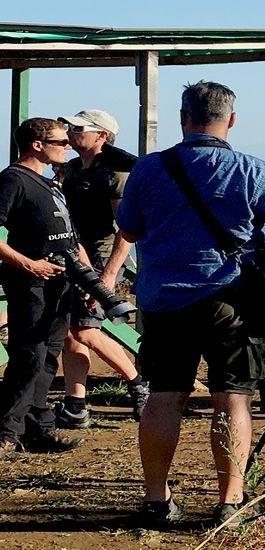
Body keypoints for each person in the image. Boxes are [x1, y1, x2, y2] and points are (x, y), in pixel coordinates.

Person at [119, 81, 265, 527]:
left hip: (164, 299)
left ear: (184, 118)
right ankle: (230, 501)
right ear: (232, 120)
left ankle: (154, 499)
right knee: (232, 398)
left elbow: (127, 229)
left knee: (165, 396)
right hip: (232, 298)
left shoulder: (148, 170)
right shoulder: (252, 171)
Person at [51, 109, 147, 428]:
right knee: (72, 329)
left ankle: (137, 382)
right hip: (73, 257)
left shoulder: (115, 173)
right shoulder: (72, 169)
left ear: (101, 135)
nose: (71, 132)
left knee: (86, 329)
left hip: (102, 258)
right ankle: (75, 405)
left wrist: (106, 277)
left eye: (79, 128)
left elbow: (126, 229)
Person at [0, 118, 87, 456]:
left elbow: (70, 237)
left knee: (49, 356)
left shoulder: (50, 184)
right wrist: (28, 264)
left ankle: (39, 430)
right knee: (29, 356)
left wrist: (88, 278)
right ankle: (7, 432)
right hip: (31, 284)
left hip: (61, 284)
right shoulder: (13, 180)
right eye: (62, 142)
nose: (69, 146)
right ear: (38, 144)